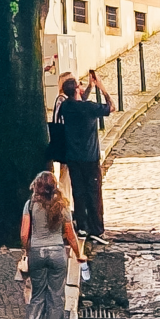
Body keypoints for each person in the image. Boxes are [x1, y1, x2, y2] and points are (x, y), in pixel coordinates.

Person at [20, 172, 82, 319]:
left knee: (37, 295)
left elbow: (24, 234)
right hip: (57, 254)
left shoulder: (30, 205)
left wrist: (27, 249)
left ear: (36, 186)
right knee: (56, 298)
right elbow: (70, 235)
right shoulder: (62, 207)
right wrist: (79, 253)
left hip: (37, 254)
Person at [61, 74, 110, 240]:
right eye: (79, 85)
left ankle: (82, 226)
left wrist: (89, 86)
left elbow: (78, 102)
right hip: (90, 157)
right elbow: (112, 107)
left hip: (73, 157)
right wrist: (101, 88)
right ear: (76, 89)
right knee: (94, 193)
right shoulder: (89, 108)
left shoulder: (66, 107)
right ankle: (96, 228)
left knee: (79, 192)